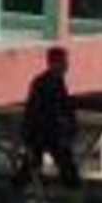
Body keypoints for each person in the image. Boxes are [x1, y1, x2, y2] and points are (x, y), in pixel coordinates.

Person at [15, 45, 82, 190]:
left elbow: (66, 108)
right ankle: (14, 193)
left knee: (68, 169)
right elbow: (33, 111)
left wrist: (71, 127)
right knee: (30, 168)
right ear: (52, 63)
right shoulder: (41, 83)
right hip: (41, 134)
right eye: (63, 62)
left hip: (54, 135)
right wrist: (28, 136)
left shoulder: (60, 83)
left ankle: (73, 197)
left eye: (66, 62)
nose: (66, 66)